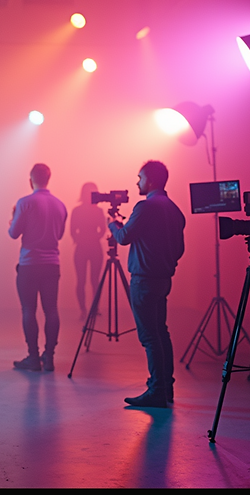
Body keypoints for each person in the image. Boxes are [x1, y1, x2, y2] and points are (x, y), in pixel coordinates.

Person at [109, 160, 185, 408]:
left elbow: (123, 238)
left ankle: (156, 391)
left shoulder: (145, 207)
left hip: (144, 279)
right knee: (161, 333)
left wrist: (112, 223)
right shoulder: (174, 209)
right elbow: (179, 249)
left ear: (150, 180)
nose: (137, 182)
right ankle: (166, 388)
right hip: (163, 279)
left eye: (140, 177)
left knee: (150, 337)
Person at [8, 163, 67, 372]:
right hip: (52, 263)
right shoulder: (60, 205)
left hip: (29, 264)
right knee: (51, 309)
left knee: (28, 309)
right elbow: (59, 235)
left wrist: (12, 220)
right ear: (48, 179)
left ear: (30, 179)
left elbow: (14, 233)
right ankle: (49, 357)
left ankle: (33, 357)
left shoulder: (25, 203)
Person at [71, 182, 107, 319]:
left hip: (90, 246)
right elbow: (73, 230)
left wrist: (85, 238)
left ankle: (93, 308)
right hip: (86, 246)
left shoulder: (97, 211)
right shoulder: (83, 211)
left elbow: (102, 230)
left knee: (94, 280)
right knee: (82, 280)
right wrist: (89, 238)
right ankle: (83, 309)